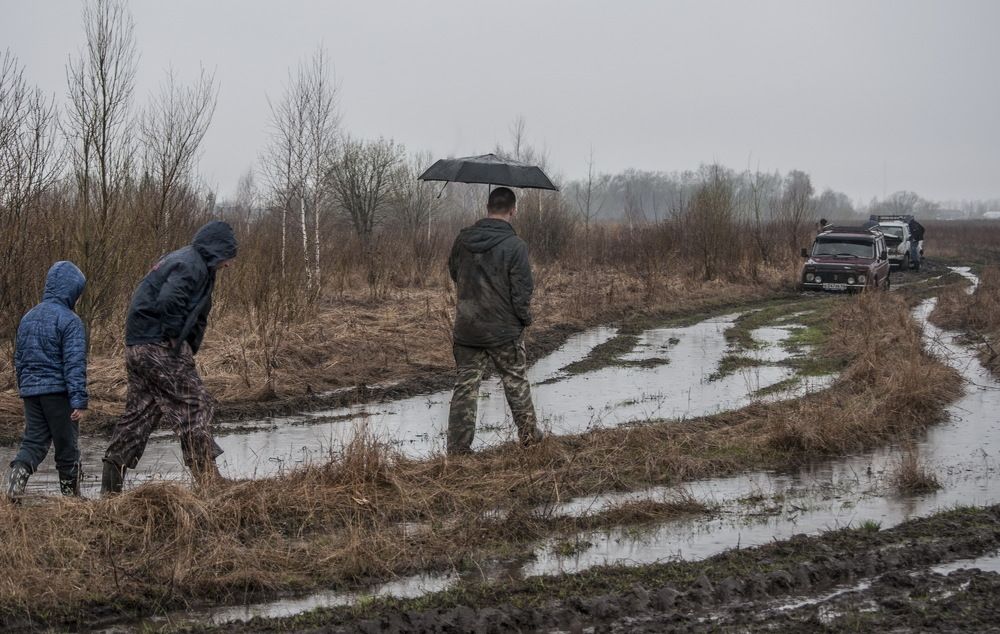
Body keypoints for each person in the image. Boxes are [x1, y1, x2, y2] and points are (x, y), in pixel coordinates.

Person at [101, 220, 238, 494]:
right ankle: (209, 484)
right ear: (216, 248)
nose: (229, 264)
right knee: (196, 404)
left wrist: (188, 346)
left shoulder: (186, 260)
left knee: (140, 414)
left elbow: (193, 313)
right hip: (158, 346)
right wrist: (175, 338)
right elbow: (169, 300)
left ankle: (110, 489)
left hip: (138, 346)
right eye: (227, 255)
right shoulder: (191, 265)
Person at [446, 187, 544, 455]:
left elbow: (455, 273)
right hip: (504, 329)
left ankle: (458, 450)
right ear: (513, 210)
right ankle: (530, 440)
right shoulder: (515, 245)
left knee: (465, 387)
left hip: (468, 326)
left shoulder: (463, 239)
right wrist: (524, 320)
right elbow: (522, 290)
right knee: (515, 381)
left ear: (487, 207)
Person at [6, 261, 88, 500]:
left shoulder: (28, 317)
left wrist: (24, 387)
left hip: (31, 393)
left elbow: (19, 358)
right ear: (71, 290)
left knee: (33, 442)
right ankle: (71, 498)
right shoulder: (70, 320)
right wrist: (78, 400)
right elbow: (74, 363)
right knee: (67, 446)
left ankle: (15, 482)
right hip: (59, 393)